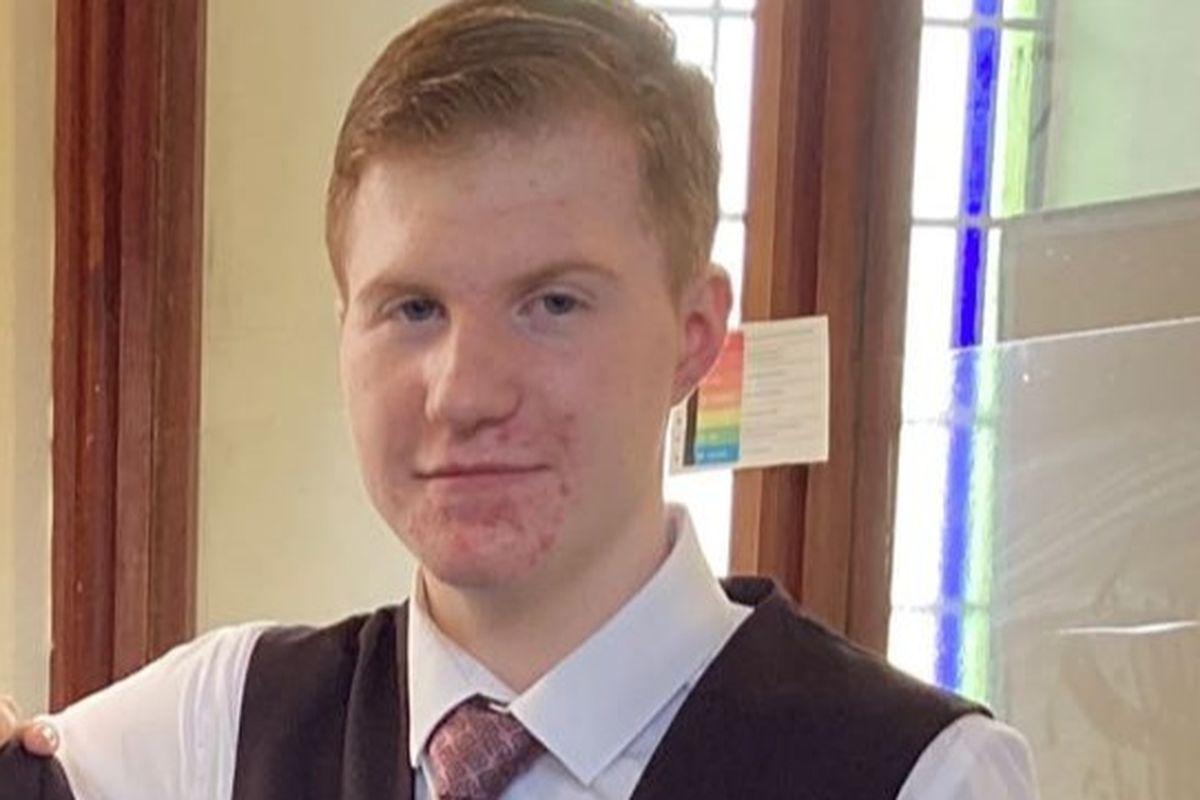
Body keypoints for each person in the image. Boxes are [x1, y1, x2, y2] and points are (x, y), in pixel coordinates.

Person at [1, 1, 1038, 798]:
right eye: (413, 307)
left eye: (552, 302)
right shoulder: (216, 730)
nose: (465, 393)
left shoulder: (919, 777)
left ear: (694, 333)